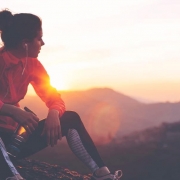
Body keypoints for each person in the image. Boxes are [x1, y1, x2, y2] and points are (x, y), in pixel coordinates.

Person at [0, 9, 122, 180]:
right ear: (25, 43)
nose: (43, 43)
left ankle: (103, 174)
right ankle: (11, 176)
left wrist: (54, 112)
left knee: (71, 119)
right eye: (39, 38)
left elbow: (53, 96)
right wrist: (11, 110)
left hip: (15, 140)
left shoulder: (33, 64)